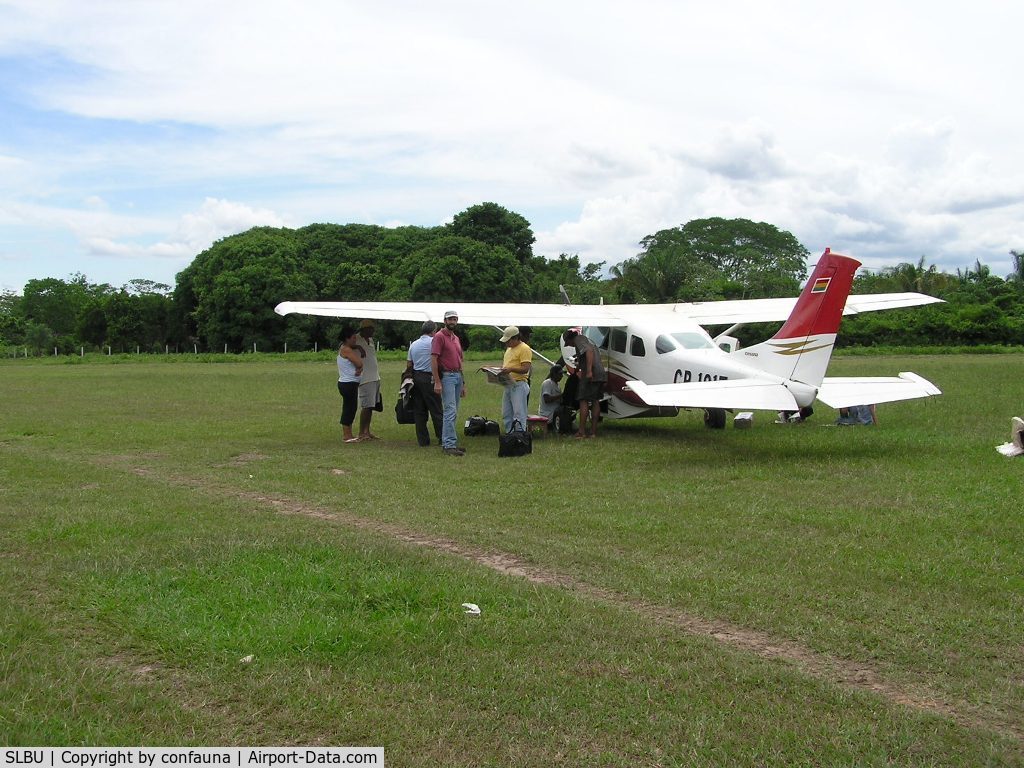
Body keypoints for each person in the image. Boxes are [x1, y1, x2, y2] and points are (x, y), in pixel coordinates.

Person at [431, 309, 466, 456]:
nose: (452, 322)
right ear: (445, 321)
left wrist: (463, 382)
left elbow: (460, 360)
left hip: (457, 375)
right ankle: (449, 444)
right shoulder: (439, 337)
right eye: (450, 319)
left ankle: (449, 442)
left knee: (453, 411)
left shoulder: (455, 338)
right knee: (450, 411)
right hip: (447, 376)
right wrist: (437, 382)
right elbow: (433, 359)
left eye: (454, 319)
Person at [562, 329, 606, 438]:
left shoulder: (578, 340)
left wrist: (589, 371)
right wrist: (577, 368)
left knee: (583, 400)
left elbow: (589, 351)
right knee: (595, 400)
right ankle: (593, 432)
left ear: (570, 339)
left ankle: (581, 432)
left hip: (591, 374)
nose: (570, 346)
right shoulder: (586, 339)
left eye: (568, 343)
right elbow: (584, 356)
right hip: (600, 373)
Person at [406, 320, 443, 447]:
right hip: (430, 377)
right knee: (436, 409)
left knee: (419, 410)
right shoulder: (434, 342)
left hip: (416, 377)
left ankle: (423, 440)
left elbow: (409, 364)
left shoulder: (414, 344)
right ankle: (442, 436)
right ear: (433, 331)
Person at [498, 325, 532, 433]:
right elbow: (507, 365)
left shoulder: (524, 348)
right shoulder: (509, 349)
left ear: (516, 338)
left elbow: (525, 368)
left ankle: (519, 436)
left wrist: (510, 369)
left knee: (519, 413)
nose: (506, 343)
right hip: (508, 383)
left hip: (519, 385)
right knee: (506, 413)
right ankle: (510, 434)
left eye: (508, 340)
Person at [353, 319, 381, 440]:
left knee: (371, 406)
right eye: (371, 329)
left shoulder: (370, 340)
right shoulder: (356, 339)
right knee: (366, 406)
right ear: (364, 329)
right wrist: (358, 346)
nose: (373, 332)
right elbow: (343, 346)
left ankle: (367, 431)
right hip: (365, 378)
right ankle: (361, 432)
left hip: (374, 376)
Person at [336, 326, 363, 443]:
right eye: (353, 338)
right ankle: (347, 435)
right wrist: (360, 367)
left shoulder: (344, 347)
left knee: (351, 407)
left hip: (349, 383)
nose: (355, 340)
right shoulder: (346, 350)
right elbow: (359, 362)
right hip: (348, 384)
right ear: (347, 338)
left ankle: (349, 434)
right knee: (349, 408)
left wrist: (358, 347)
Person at [538, 365, 564, 430]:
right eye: (560, 374)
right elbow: (547, 399)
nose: (562, 376)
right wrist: (561, 395)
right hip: (548, 414)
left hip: (554, 413)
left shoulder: (557, 386)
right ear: (554, 374)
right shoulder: (547, 383)